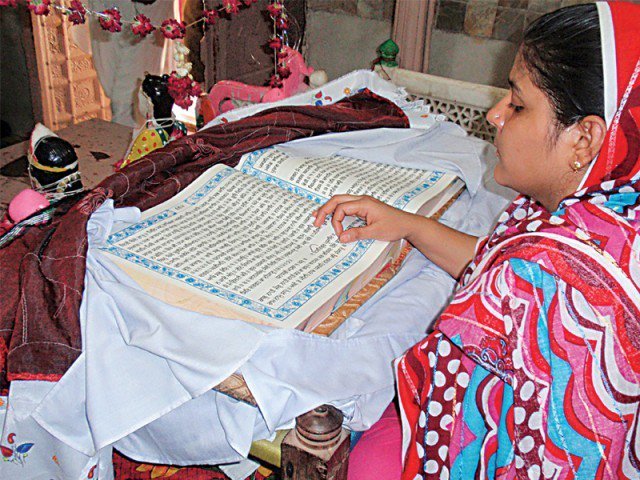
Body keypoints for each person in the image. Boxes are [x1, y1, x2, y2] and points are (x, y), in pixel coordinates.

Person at [313, 2, 640, 479]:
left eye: (519, 104)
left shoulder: (544, 277)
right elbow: (494, 265)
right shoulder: (610, 205)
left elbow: (486, 448)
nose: (495, 114)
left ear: (585, 139)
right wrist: (410, 224)